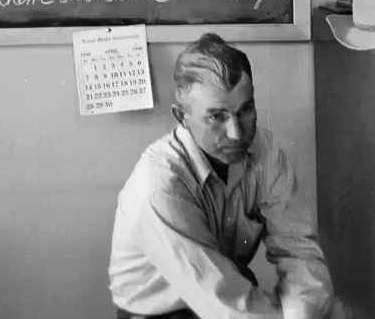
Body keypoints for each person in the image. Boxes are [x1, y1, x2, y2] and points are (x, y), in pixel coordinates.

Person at [108, 32, 347, 319]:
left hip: (229, 293)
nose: (236, 134)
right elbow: (221, 302)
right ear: (182, 117)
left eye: (245, 110)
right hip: (163, 313)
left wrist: (305, 313)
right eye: (217, 117)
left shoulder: (263, 150)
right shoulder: (159, 188)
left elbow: (298, 249)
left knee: (328, 310)